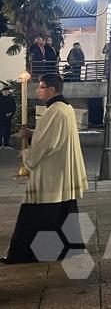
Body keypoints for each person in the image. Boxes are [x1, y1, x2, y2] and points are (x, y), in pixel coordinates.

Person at [2, 74, 88, 264]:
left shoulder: (54, 111)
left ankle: (23, 253)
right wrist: (32, 133)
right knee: (64, 212)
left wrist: (28, 158)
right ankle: (69, 249)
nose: (38, 90)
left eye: (41, 87)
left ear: (51, 89)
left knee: (35, 216)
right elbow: (52, 135)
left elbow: (48, 143)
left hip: (51, 173)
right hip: (62, 172)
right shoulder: (66, 108)